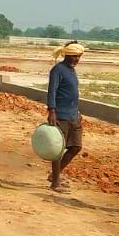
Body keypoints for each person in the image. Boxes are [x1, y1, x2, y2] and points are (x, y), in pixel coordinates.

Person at [44, 41, 85, 191]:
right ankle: (55, 183)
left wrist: (77, 112)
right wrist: (52, 111)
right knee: (58, 149)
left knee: (76, 147)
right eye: (74, 56)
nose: (77, 59)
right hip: (60, 115)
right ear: (67, 55)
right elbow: (52, 91)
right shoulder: (58, 70)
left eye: (78, 57)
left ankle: (55, 175)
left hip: (73, 115)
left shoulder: (72, 70)